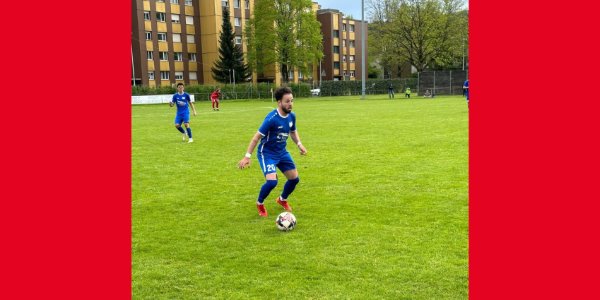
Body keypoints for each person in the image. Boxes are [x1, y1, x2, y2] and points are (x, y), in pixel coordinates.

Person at [238, 87, 308, 217]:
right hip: (267, 154)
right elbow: (256, 138)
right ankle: (260, 203)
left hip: (282, 152)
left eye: (292, 100)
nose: (290, 104)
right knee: (272, 182)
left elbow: (292, 131)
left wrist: (299, 144)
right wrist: (247, 157)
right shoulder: (271, 119)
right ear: (279, 102)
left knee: (294, 179)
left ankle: (282, 199)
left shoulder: (292, 116)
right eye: (287, 101)